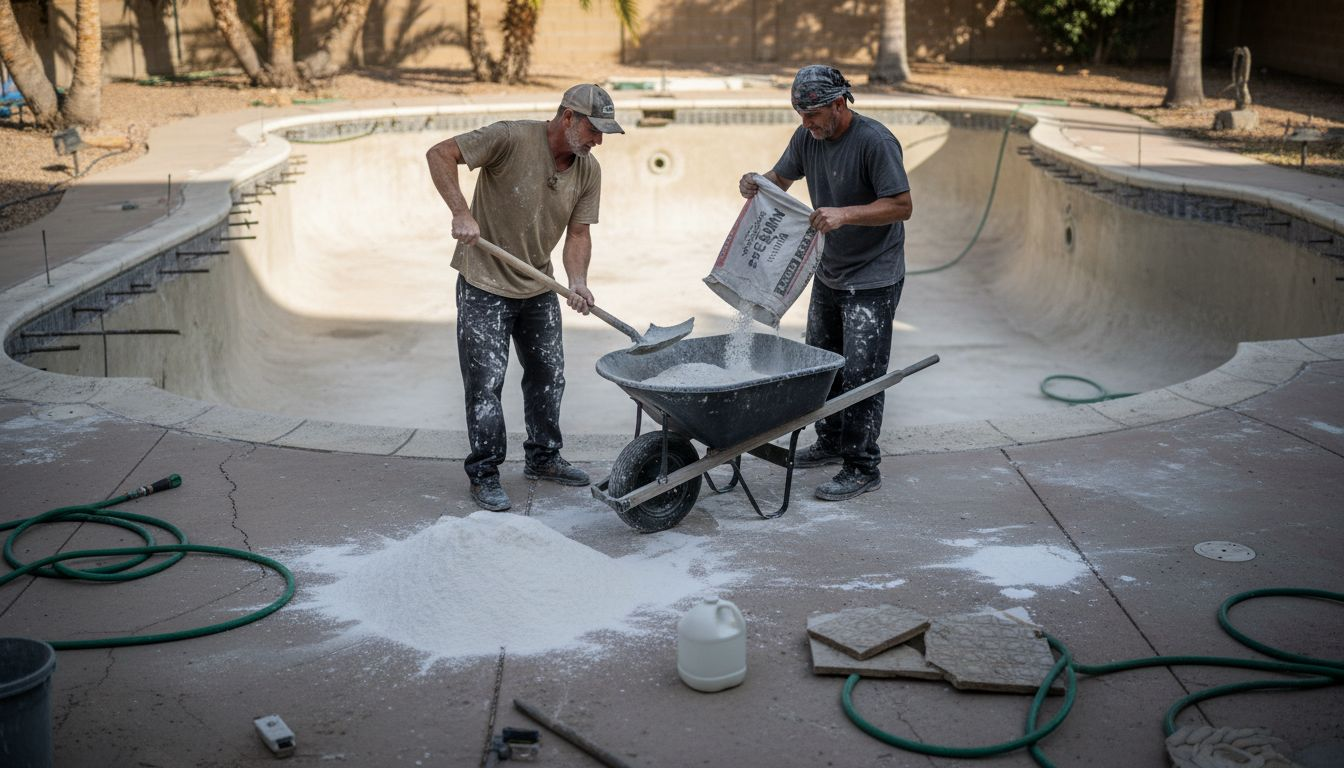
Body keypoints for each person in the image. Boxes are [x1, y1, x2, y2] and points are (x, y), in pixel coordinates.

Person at [426, 83, 624, 511]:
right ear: (569, 117)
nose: (599, 141)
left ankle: (544, 457)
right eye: (594, 129)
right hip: (484, 284)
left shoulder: (588, 169)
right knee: (485, 384)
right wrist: (461, 211)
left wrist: (578, 280)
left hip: (538, 285)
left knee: (548, 375)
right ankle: (484, 473)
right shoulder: (511, 137)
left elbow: (579, 232)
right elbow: (439, 153)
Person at [739, 64, 913, 502]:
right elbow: (780, 179)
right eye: (801, 115)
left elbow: (902, 205)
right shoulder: (807, 138)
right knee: (822, 360)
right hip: (830, 268)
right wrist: (757, 183)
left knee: (861, 373)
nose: (807, 123)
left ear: (839, 104)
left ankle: (861, 465)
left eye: (814, 113)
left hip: (874, 273)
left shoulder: (875, 141)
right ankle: (831, 440)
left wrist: (845, 213)